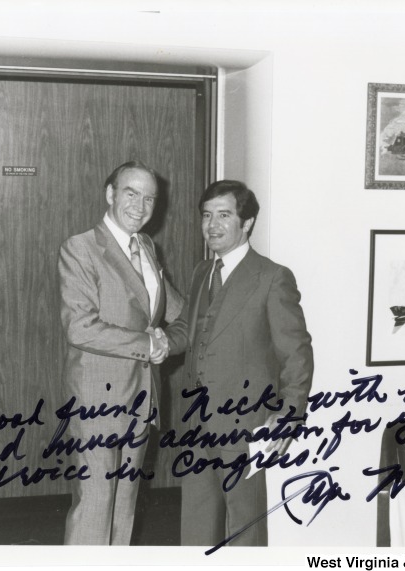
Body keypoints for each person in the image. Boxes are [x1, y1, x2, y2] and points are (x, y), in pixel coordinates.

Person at [164, 179, 313, 547]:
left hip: (245, 420)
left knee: (244, 525)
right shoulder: (203, 272)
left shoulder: (272, 277)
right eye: (206, 215)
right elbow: (189, 327)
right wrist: (155, 343)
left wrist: (289, 414)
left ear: (246, 223)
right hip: (196, 419)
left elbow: (296, 352)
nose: (212, 225)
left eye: (224, 215)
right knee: (197, 521)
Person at [57, 160, 183, 545]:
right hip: (98, 400)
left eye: (149, 198)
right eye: (131, 193)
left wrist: (169, 343)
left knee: (123, 507)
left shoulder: (146, 246)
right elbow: (80, 327)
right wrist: (148, 344)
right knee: (95, 505)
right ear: (110, 194)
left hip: (141, 401)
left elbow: (178, 314)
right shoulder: (80, 248)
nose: (140, 205)